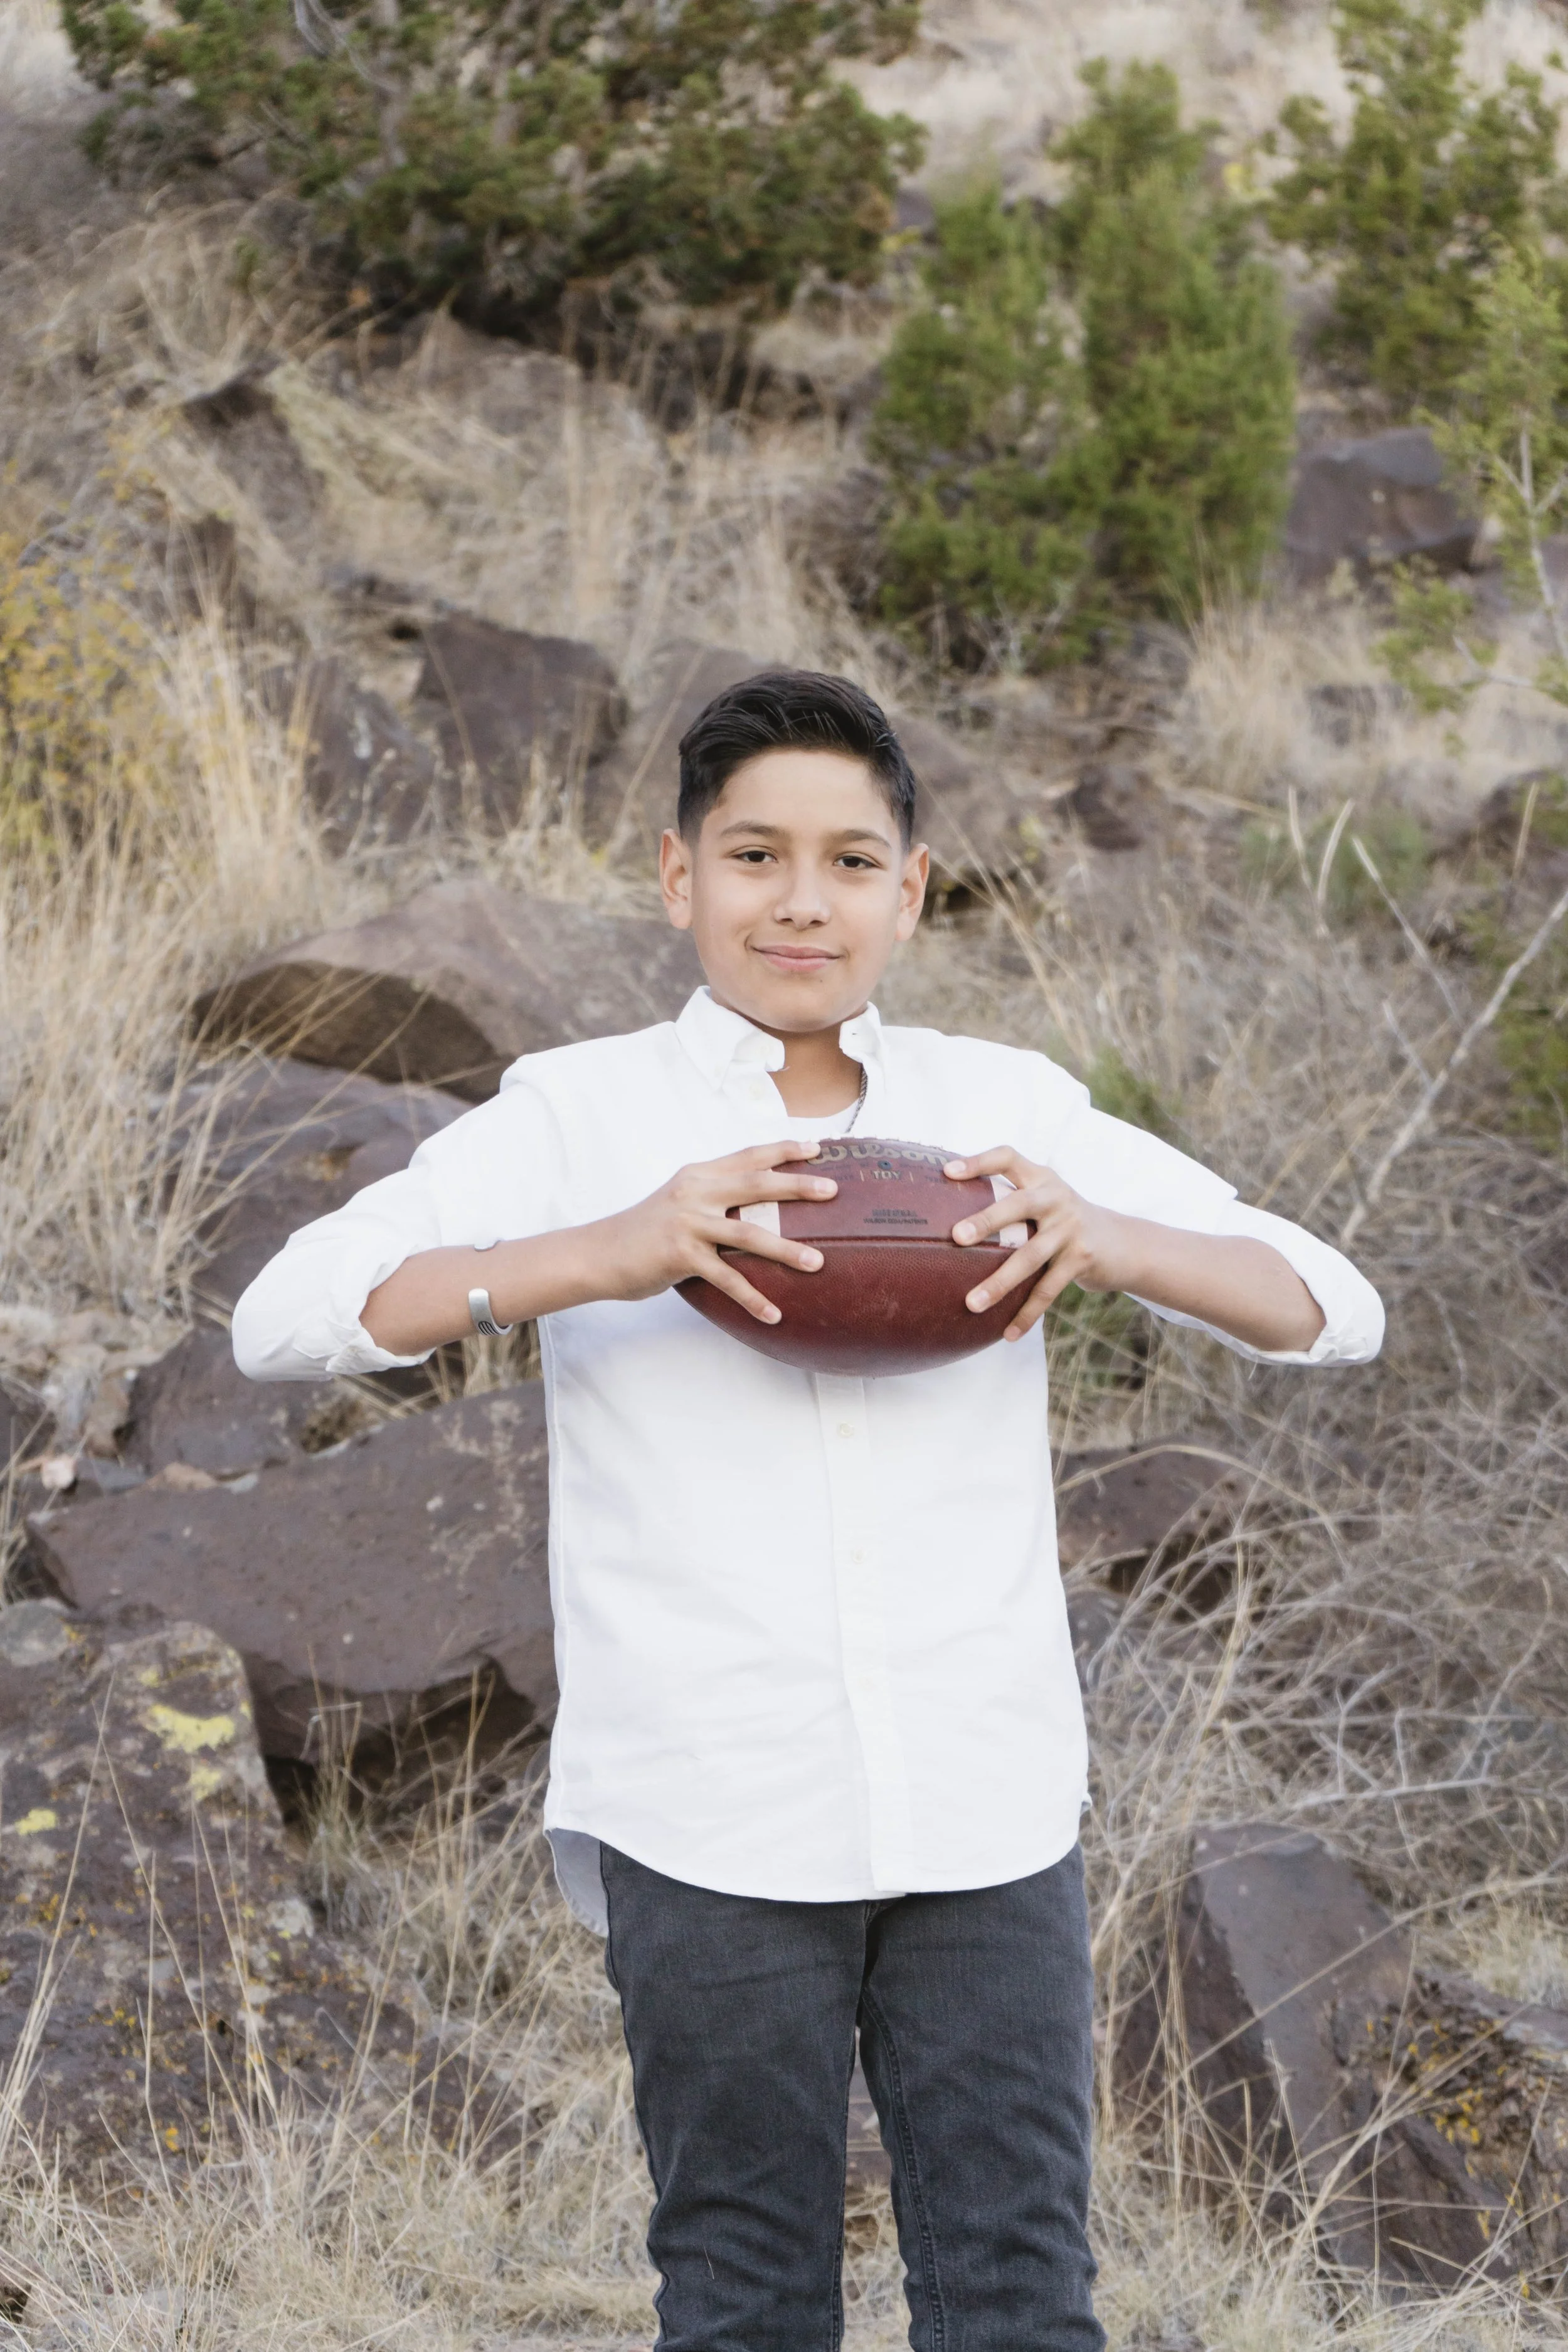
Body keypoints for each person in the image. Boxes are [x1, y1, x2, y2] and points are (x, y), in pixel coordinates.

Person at [232, 670, 1383, 2352]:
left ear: (911, 889)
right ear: (676, 875)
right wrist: (608, 1250)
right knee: (743, 2292)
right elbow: (284, 1317)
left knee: (1016, 2292)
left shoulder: (1006, 1110)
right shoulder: (581, 1111)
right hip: (707, 1798)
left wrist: (1104, 1237)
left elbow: (1327, 1305)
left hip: (982, 1797)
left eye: (851, 860)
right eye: (755, 852)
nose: (800, 899)